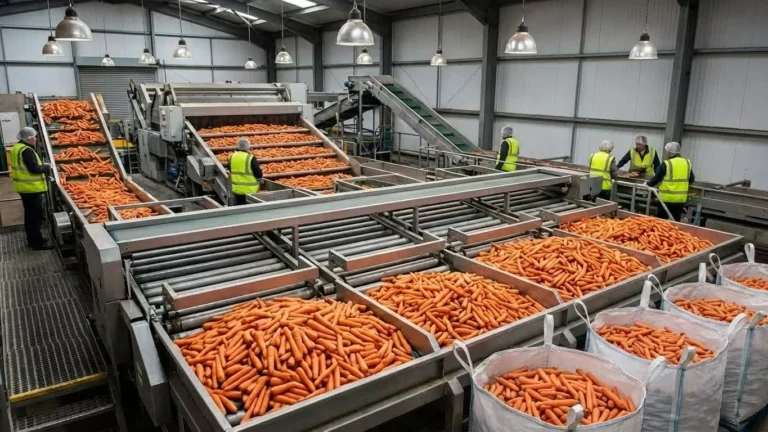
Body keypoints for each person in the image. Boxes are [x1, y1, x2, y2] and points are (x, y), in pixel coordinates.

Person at [10, 127, 52, 250]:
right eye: (33, 136)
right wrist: (46, 167)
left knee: (30, 216)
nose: (35, 138)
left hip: (24, 189)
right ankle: (37, 243)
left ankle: (33, 238)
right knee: (35, 216)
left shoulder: (16, 148)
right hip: (31, 189)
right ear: (28, 138)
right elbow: (34, 169)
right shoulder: (26, 150)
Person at [646, 141, 694, 222]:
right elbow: (692, 179)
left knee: (661, 224)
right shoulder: (687, 163)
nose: (665, 153)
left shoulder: (666, 164)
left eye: (666, 151)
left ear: (670, 152)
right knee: (675, 223)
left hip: (666, 200)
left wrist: (647, 184)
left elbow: (656, 179)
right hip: (680, 200)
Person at [228, 138, 262, 205]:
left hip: (237, 189)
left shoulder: (232, 156)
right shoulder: (250, 157)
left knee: (240, 207)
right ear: (248, 147)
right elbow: (258, 174)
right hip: (249, 190)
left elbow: (230, 169)